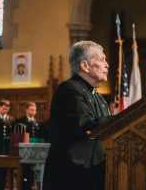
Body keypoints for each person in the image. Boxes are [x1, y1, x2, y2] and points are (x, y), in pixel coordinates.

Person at [43, 41, 111, 190]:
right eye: (101, 60)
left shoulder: (99, 98)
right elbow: (84, 124)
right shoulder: (69, 89)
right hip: (71, 175)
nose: (107, 65)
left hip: (95, 172)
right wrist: (121, 118)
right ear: (85, 65)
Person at [15, 102, 45, 190]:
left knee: (33, 173)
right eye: (31, 110)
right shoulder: (21, 121)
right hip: (24, 151)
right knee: (24, 173)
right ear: (26, 110)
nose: (33, 112)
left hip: (35, 151)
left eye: (35, 110)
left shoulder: (37, 122)